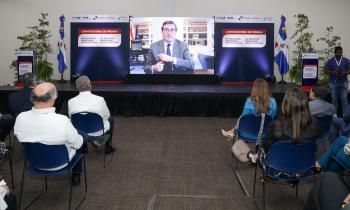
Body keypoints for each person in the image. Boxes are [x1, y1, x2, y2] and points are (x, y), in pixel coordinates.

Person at [14, 82, 84, 185]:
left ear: (32, 98)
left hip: (34, 162)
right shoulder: (63, 121)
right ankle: (76, 176)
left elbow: (19, 137)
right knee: (80, 140)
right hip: (60, 163)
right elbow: (77, 144)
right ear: (53, 99)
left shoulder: (21, 117)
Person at [68, 76, 116, 154]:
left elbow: (72, 119)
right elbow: (107, 116)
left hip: (80, 130)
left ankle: (84, 147)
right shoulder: (100, 99)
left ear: (77, 87)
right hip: (98, 130)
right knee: (111, 118)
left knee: (79, 122)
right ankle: (107, 147)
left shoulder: (71, 101)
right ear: (90, 85)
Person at [263, 87, 320, 152]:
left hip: (281, 161)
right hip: (305, 160)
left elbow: (266, 148)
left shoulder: (277, 124)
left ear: (286, 104)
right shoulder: (314, 122)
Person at [325, 46, 350, 117]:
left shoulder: (346, 60)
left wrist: (344, 72)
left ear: (342, 52)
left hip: (343, 82)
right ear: (335, 53)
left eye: (340, 52)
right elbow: (326, 70)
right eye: (337, 52)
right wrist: (333, 72)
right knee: (334, 99)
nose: (339, 54)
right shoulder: (330, 61)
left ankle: (345, 116)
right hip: (333, 83)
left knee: (344, 99)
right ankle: (334, 115)